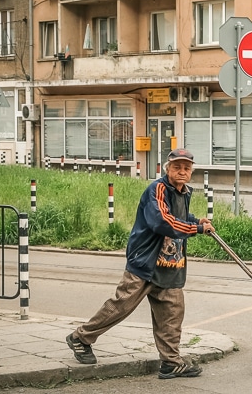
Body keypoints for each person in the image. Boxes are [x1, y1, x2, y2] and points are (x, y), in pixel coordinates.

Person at [65, 148, 215, 379]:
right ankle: (80, 337)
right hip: (146, 262)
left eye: (186, 168)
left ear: (191, 171)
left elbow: (178, 216)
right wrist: (196, 229)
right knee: (121, 306)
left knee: (172, 315)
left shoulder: (183, 192)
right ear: (168, 169)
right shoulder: (157, 189)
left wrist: (195, 220)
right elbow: (162, 221)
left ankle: (171, 362)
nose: (182, 172)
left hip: (171, 265)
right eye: (177, 167)